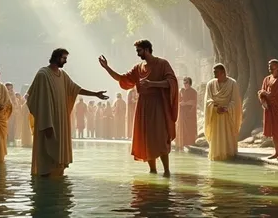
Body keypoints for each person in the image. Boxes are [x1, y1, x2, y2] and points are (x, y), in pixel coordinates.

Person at [99, 39, 179, 175]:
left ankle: (166, 170)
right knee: (146, 137)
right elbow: (121, 78)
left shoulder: (162, 64)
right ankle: (152, 170)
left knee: (160, 135)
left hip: (158, 104)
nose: (137, 54)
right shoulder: (138, 68)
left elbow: (171, 82)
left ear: (147, 49)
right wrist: (107, 67)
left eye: (139, 51)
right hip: (143, 106)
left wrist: (152, 83)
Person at [27, 48, 108, 177]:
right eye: (64, 58)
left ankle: (57, 176)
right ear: (57, 57)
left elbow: (75, 89)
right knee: (46, 152)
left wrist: (95, 94)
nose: (65, 61)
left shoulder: (62, 75)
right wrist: (46, 123)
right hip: (47, 121)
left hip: (60, 122)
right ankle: (45, 178)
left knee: (58, 152)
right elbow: (37, 99)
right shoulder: (43, 74)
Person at [204, 64, 242, 161]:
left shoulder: (232, 83)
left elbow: (235, 101)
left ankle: (229, 156)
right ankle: (216, 156)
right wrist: (215, 107)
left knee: (227, 137)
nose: (214, 73)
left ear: (222, 72)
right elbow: (208, 100)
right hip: (215, 114)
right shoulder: (210, 84)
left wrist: (227, 108)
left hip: (228, 115)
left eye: (215, 72)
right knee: (216, 138)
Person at [258, 59, 278, 160]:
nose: (270, 68)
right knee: (274, 131)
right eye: (269, 66)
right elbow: (262, 92)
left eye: (272, 66)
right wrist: (263, 95)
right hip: (270, 108)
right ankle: (276, 152)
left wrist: (270, 96)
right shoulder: (266, 79)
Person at [176, 77, 198, 150]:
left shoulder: (193, 92)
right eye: (184, 83)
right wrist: (180, 103)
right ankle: (181, 143)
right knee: (181, 128)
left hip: (190, 113)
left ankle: (190, 142)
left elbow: (193, 102)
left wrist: (185, 103)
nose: (185, 84)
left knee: (189, 128)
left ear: (190, 83)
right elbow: (177, 100)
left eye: (186, 83)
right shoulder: (181, 91)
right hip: (182, 113)